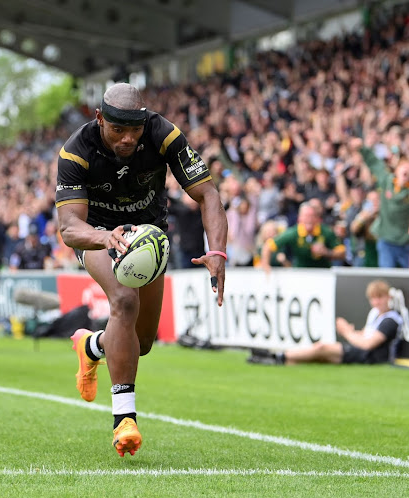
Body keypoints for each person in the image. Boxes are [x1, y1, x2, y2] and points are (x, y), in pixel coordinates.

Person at [55, 83, 227, 457]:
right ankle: (124, 420)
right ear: (99, 118)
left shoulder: (163, 134)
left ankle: (92, 345)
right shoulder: (76, 151)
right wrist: (102, 237)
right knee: (123, 301)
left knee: (142, 342)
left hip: (148, 239)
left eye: (134, 129)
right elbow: (69, 227)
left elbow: (207, 193)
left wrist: (216, 250)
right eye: (118, 130)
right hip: (98, 236)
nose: (128, 138)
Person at [248, 279, 403, 365]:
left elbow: (368, 344)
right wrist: (354, 332)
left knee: (321, 348)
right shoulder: (376, 314)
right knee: (317, 355)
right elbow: (366, 334)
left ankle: (276, 356)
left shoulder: (391, 319)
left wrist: (347, 333)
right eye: (373, 298)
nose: (376, 302)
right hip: (362, 352)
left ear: (388, 297)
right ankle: (275, 359)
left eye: (379, 297)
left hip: (370, 357)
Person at [356, 139, 409, 268]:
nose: (406, 174)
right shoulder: (387, 181)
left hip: (405, 241)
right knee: (386, 274)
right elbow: (375, 164)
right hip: (386, 239)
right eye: (404, 171)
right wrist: (362, 148)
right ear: (396, 171)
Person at [260, 202, 345, 273]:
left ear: (317, 218)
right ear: (300, 218)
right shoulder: (294, 232)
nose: (309, 219)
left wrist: (327, 252)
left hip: (323, 274)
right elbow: (268, 246)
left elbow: (342, 253)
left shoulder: (326, 232)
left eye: (311, 216)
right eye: (306, 216)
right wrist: (266, 266)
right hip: (301, 274)